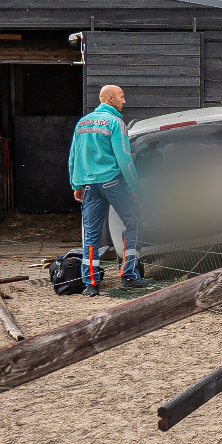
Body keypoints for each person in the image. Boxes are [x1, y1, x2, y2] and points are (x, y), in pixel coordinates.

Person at [68, 84, 157, 295]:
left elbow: (73, 156)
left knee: (90, 234)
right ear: (110, 98)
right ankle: (129, 276)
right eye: (121, 97)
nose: (124, 101)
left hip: (89, 185)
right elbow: (124, 158)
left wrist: (76, 184)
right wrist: (135, 187)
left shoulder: (82, 123)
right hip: (112, 182)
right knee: (134, 224)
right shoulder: (116, 122)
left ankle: (90, 284)